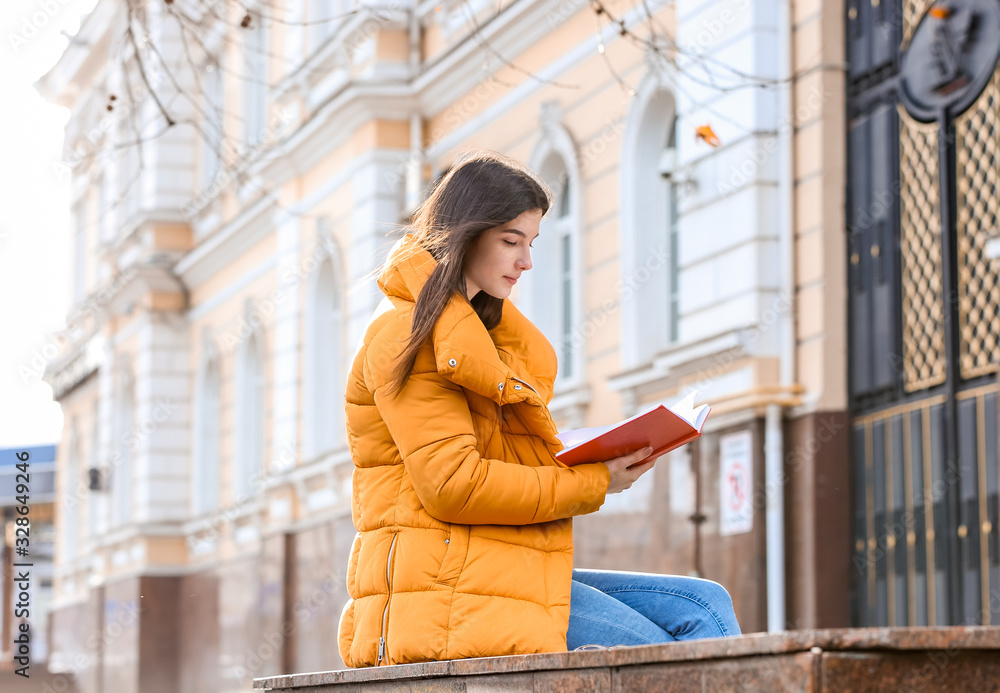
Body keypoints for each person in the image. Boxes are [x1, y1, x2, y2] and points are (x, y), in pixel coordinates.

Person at [337, 150, 741, 668]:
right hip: (439, 588)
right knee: (653, 656)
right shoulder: (407, 334)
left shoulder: (480, 338)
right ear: (466, 234)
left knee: (704, 604)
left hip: (486, 564)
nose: (526, 261)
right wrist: (596, 481)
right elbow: (454, 486)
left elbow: (484, 462)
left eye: (531, 243)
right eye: (511, 241)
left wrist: (583, 452)